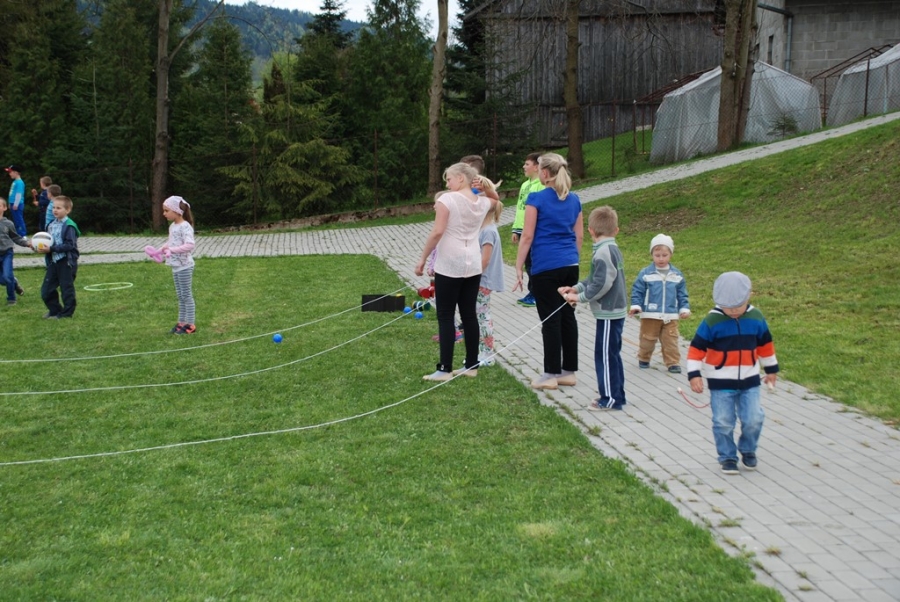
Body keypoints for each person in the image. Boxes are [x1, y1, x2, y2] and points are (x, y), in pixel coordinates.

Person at [687, 271, 779, 475]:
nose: (733, 312)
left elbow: (765, 345)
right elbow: (696, 350)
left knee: (753, 419)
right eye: (728, 308)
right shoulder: (712, 321)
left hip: (750, 381)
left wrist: (771, 369)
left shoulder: (756, 317)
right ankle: (727, 456)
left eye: (738, 307)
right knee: (723, 422)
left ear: (748, 297)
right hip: (721, 383)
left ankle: (748, 449)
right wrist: (694, 374)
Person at [415, 163, 497, 381]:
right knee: (469, 314)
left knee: (445, 314)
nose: (447, 183)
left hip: (450, 263)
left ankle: (444, 368)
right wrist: (486, 189)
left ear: (461, 178)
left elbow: (437, 231)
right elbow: (496, 200)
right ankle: (471, 365)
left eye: (449, 179)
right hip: (472, 263)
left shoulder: (447, 199)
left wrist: (422, 258)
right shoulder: (481, 201)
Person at [513, 153, 583, 390]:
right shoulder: (574, 199)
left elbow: (527, 236)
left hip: (546, 266)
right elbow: (579, 236)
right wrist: (572, 259)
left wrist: (519, 265)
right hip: (570, 265)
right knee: (567, 317)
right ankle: (568, 371)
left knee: (550, 319)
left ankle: (550, 374)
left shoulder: (536, 198)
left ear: (544, 173)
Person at [559, 206, 628, 410]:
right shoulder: (610, 248)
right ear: (616, 230)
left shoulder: (603, 253)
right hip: (613, 311)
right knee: (612, 354)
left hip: (608, 312)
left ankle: (610, 399)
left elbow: (602, 284)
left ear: (590, 230)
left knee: (605, 356)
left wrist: (579, 297)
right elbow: (594, 278)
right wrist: (577, 287)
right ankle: (617, 395)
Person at [628, 233, 691, 373]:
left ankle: (673, 363)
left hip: (670, 315)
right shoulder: (646, 273)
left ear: (670, 254)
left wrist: (684, 308)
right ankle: (644, 358)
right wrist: (636, 306)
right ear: (652, 255)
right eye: (657, 255)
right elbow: (638, 291)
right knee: (647, 339)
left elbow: (682, 294)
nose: (661, 258)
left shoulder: (677, 275)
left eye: (664, 255)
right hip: (650, 314)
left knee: (671, 340)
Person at [37, 195, 80, 319]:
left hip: (66, 262)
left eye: (59, 208)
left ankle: (67, 313)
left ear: (67, 210)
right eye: (54, 208)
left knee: (66, 289)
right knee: (46, 290)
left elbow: (70, 245)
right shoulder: (51, 224)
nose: (55, 210)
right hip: (53, 262)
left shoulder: (69, 225)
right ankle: (55, 310)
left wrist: (51, 249)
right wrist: (39, 246)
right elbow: (48, 240)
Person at [511, 152, 544, 307]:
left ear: (537, 167)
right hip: (522, 229)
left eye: (527, 164)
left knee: (533, 263)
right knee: (528, 262)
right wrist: (515, 229)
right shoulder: (525, 185)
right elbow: (520, 208)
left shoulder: (540, 185)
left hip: (533, 230)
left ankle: (537, 293)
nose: (524, 167)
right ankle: (533, 291)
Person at [160, 196, 197, 334]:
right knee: (180, 295)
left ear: (177, 211)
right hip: (176, 266)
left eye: (166, 210)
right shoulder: (173, 226)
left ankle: (190, 324)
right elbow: (171, 242)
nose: (164, 213)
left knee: (186, 295)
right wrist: (160, 250)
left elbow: (190, 245)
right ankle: (181, 323)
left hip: (185, 266)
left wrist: (172, 250)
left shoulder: (185, 226)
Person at [476, 200, 505, 366]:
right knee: (479, 315)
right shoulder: (484, 229)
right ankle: (481, 352)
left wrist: (471, 277)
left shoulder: (488, 231)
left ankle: (487, 355)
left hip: (483, 280)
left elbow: (485, 260)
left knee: (482, 316)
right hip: (480, 280)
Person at [0, 197, 30, 305]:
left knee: (7, 276)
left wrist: (27, 243)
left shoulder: (8, 224)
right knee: (3, 280)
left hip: (6, 253)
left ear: (4, 208)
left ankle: (11, 299)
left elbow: (16, 238)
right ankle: (14, 282)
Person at [5, 165, 27, 237]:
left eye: (10, 172)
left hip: (17, 204)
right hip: (13, 203)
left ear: (16, 172)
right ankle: (17, 233)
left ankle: (22, 234)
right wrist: (10, 203)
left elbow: (18, 194)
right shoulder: (15, 182)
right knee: (15, 219)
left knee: (19, 219)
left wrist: (16, 204)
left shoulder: (19, 182)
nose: (9, 174)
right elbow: (12, 193)